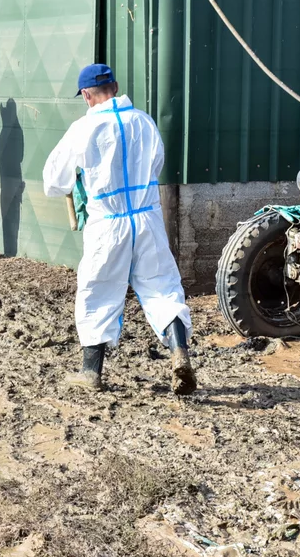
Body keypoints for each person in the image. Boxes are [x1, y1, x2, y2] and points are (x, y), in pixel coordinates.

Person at [42, 63, 197, 395]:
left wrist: (79, 182)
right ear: (114, 86)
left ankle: (90, 372)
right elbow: (156, 165)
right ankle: (179, 351)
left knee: (97, 292)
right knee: (162, 288)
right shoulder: (144, 121)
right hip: (146, 218)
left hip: (107, 224)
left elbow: (54, 181)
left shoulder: (83, 128)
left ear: (87, 95)